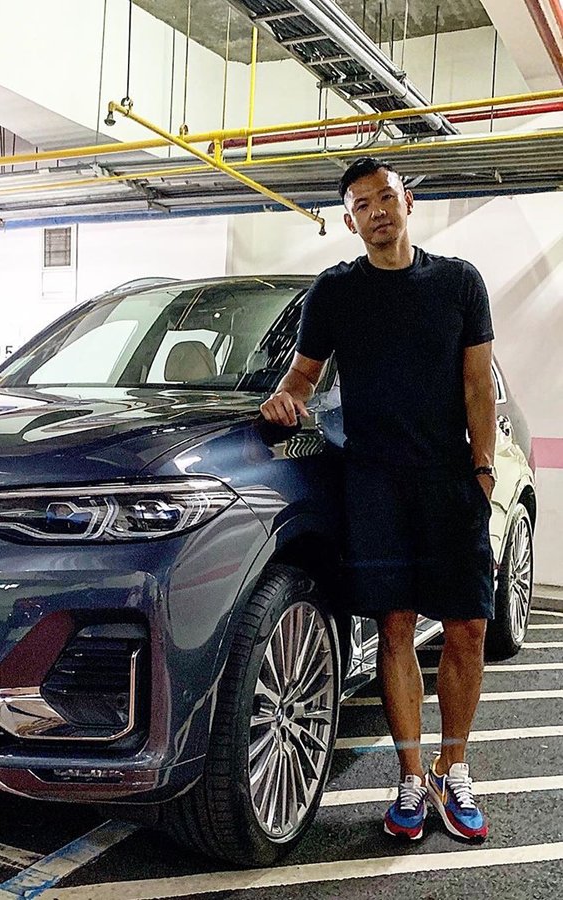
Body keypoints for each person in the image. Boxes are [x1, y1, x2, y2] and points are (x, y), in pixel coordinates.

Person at [260, 156, 496, 843]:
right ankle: (411, 777)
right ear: (350, 221)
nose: (378, 212)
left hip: (449, 478)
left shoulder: (458, 282)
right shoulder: (335, 291)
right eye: (362, 205)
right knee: (394, 628)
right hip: (376, 485)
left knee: (468, 628)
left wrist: (482, 471)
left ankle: (455, 769)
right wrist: (283, 399)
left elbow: (478, 385)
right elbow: (303, 377)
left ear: (407, 202)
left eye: (386, 197)